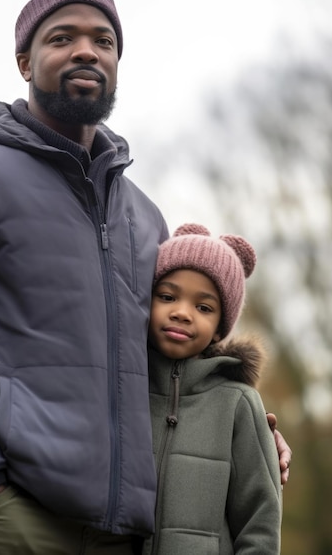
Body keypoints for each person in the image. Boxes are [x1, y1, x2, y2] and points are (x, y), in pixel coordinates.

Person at [0, 0, 290, 555]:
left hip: (118, 538)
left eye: (104, 40)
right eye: (62, 37)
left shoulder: (144, 217)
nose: (87, 51)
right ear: (25, 62)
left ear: (116, 63)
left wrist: (242, 430)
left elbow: (161, 366)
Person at [142, 223, 282, 554]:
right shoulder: (123, 386)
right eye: (167, 296)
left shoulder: (238, 403)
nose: (181, 312)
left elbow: (260, 520)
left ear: (220, 328)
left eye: (203, 307)